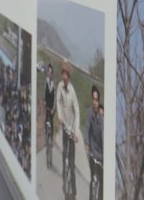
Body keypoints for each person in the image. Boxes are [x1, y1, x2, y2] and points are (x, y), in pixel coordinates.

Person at [55, 59, 80, 199]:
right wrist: (59, 116)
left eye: (66, 74)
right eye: (63, 74)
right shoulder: (59, 86)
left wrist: (76, 133)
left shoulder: (72, 91)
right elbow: (58, 101)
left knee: (71, 162)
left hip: (72, 128)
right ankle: (64, 182)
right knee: (64, 154)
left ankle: (74, 192)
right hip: (64, 126)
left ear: (68, 77)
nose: (64, 76)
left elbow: (77, 111)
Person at [84, 85, 103, 200]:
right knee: (93, 180)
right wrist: (86, 143)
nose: (95, 102)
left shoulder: (101, 117)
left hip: (101, 155)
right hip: (92, 152)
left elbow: (103, 136)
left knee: (101, 184)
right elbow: (86, 128)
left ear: (99, 101)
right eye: (93, 99)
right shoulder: (89, 113)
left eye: (96, 100)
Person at [44, 63, 57, 168]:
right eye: (48, 71)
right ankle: (46, 137)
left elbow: (55, 98)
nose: (49, 73)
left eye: (51, 72)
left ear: (52, 74)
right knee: (46, 122)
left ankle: (51, 140)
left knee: (51, 123)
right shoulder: (46, 81)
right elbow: (44, 93)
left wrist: (54, 108)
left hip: (52, 108)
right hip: (47, 106)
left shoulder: (53, 84)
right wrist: (44, 101)